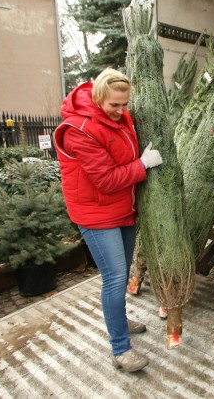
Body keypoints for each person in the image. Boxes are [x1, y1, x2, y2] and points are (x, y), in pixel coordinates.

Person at [54, 68, 163, 372]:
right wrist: (142, 165)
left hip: (122, 208)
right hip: (95, 213)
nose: (122, 111)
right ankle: (121, 349)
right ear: (98, 97)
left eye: (125, 104)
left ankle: (121, 320)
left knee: (123, 271)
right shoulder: (78, 130)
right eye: (114, 105)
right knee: (114, 278)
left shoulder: (120, 117)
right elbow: (104, 179)